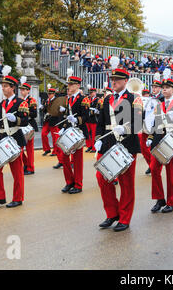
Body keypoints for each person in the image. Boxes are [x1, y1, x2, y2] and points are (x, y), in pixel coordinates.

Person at [94, 68, 143, 232]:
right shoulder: (106, 99)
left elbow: (138, 123)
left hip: (127, 144)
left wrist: (126, 128)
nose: (113, 82)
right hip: (108, 142)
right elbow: (100, 122)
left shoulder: (134, 98)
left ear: (125, 81)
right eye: (112, 79)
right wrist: (98, 139)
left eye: (117, 80)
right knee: (102, 177)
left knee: (126, 183)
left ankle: (124, 217)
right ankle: (112, 213)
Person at [0, 69, 29, 209]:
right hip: (3, 138)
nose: (3, 88)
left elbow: (25, 121)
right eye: (2, 86)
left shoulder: (21, 102)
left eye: (6, 86)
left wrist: (15, 119)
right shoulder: (2, 104)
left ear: (12, 88)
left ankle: (18, 198)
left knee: (16, 171)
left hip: (15, 138)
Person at [146, 78, 173, 213]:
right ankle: (159, 199)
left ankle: (171, 202)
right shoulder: (159, 104)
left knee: (171, 172)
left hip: (171, 140)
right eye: (163, 87)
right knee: (154, 168)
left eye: (167, 87)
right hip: (158, 140)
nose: (164, 89)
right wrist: (151, 137)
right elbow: (154, 123)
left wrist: (172, 118)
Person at [57, 71, 90, 194]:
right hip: (68, 131)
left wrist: (77, 119)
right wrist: (62, 127)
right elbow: (66, 116)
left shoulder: (83, 99)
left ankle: (78, 184)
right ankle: (69, 182)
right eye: (68, 85)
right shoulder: (67, 100)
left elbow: (86, 116)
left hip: (78, 131)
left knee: (77, 160)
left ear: (77, 86)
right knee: (64, 157)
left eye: (71, 85)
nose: (68, 87)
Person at [39, 88, 64, 169]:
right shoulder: (47, 101)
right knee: (43, 134)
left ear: (53, 94)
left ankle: (55, 152)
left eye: (50, 94)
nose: (49, 95)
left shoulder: (57, 101)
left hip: (54, 121)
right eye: (48, 94)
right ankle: (47, 149)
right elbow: (44, 110)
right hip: (47, 121)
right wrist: (42, 107)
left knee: (55, 138)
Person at [20, 82, 38, 175]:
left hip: (29, 125)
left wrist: (25, 113)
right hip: (22, 125)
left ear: (28, 90)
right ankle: (26, 164)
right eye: (21, 90)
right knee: (20, 148)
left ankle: (31, 168)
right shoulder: (20, 100)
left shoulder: (32, 100)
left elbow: (34, 114)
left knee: (29, 149)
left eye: (23, 90)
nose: (21, 91)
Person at [85, 88, 99, 153]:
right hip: (88, 118)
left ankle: (94, 147)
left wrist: (95, 110)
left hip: (94, 119)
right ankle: (89, 146)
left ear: (95, 93)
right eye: (90, 93)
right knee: (87, 133)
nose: (91, 94)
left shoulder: (98, 100)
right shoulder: (88, 99)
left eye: (92, 93)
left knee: (93, 134)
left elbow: (99, 110)